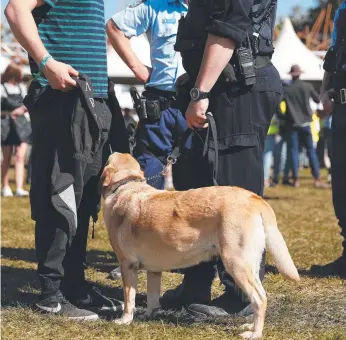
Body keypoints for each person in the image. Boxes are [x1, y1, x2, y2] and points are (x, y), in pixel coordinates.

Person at [5, 0, 128, 320]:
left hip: (91, 101)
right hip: (62, 101)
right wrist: (46, 62)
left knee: (84, 200)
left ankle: (73, 284)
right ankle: (51, 295)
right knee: (60, 194)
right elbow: (15, 9)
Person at [161, 0, 283, 318]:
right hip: (222, 85)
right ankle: (196, 286)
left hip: (238, 87)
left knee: (234, 194)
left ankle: (241, 294)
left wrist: (200, 93)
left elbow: (228, 30)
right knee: (199, 191)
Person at [106, 0, 188, 190]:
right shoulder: (154, 5)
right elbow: (114, 27)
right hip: (159, 105)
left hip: (195, 101)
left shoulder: (212, 7)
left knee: (195, 183)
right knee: (148, 180)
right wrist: (138, 68)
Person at [311, 0, 346, 277]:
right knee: (342, 184)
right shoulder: (342, 9)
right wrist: (324, 91)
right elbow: (333, 54)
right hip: (342, 110)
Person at [281, 65, 326, 188]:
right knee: (311, 151)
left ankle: (295, 179)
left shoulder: (287, 89)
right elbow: (317, 100)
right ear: (300, 74)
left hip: (293, 124)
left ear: (291, 75)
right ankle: (317, 178)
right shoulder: (307, 86)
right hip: (306, 123)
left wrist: (284, 118)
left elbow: (278, 106)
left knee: (294, 152)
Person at [1, 63, 30, 197]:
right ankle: (5, 186)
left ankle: (19, 187)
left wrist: (21, 110)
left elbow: (28, 103)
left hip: (22, 124)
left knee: (20, 156)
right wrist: (11, 111)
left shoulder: (21, 87)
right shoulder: (2, 88)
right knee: (6, 156)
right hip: (6, 124)